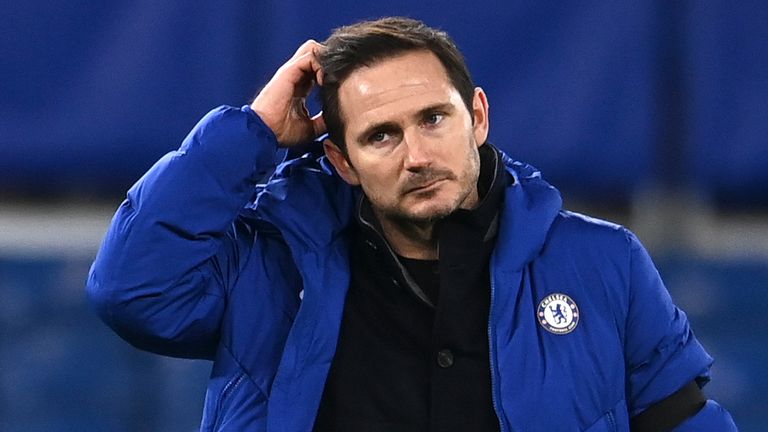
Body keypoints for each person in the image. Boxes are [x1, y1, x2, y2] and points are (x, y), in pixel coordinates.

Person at [86, 17, 738, 431]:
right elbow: (131, 290)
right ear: (340, 160)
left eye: (434, 119)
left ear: (477, 117)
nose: (417, 156)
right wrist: (250, 134)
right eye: (381, 136)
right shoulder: (271, 262)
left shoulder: (604, 261)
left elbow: (682, 420)